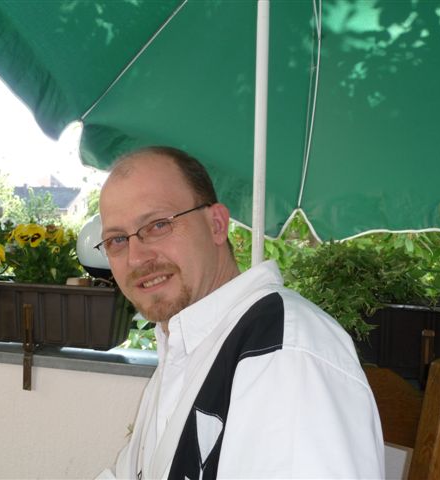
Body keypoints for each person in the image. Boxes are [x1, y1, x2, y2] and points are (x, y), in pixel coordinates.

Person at [95, 146, 384, 479]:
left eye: (158, 225)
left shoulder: (283, 353)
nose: (136, 257)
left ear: (217, 225)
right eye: (117, 240)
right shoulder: (187, 347)